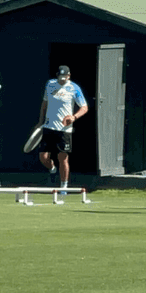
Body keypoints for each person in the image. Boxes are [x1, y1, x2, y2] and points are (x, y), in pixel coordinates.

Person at [37, 64, 88, 202]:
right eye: (60, 77)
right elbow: (44, 103)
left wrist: (73, 117)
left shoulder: (74, 88)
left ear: (69, 76)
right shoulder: (50, 84)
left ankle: (63, 187)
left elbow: (84, 107)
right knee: (43, 156)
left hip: (64, 130)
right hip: (48, 126)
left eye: (64, 77)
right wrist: (40, 121)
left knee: (63, 158)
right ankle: (52, 169)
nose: (62, 80)